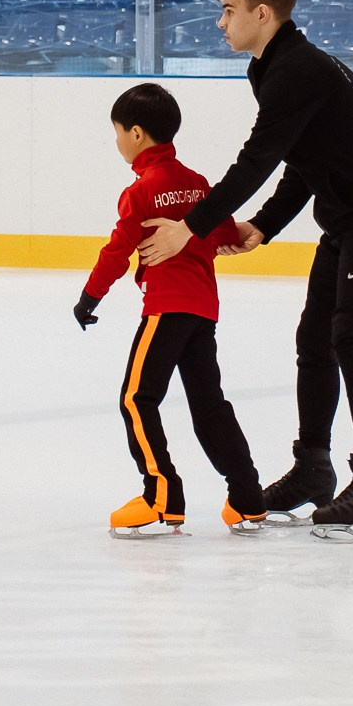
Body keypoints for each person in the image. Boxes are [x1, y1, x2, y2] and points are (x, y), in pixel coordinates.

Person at [136, 0, 353, 541]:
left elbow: (257, 161)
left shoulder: (297, 70)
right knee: (314, 340)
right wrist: (262, 226)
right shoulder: (273, 69)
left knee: (352, 337)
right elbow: (302, 163)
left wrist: (191, 227)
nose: (219, 22)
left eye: (228, 10)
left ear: (261, 13)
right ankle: (314, 469)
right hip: (347, 218)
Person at [73, 83, 265, 539]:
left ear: (136, 134)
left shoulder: (141, 192)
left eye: (118, 131)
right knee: (209, 405)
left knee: (136, 399)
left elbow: (118, 251)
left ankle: (160, 495)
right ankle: (247, 498)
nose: (117, 140)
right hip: (202, 311)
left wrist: (90, 296)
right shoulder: (197, 182)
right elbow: (222, 232)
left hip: (165, 309)